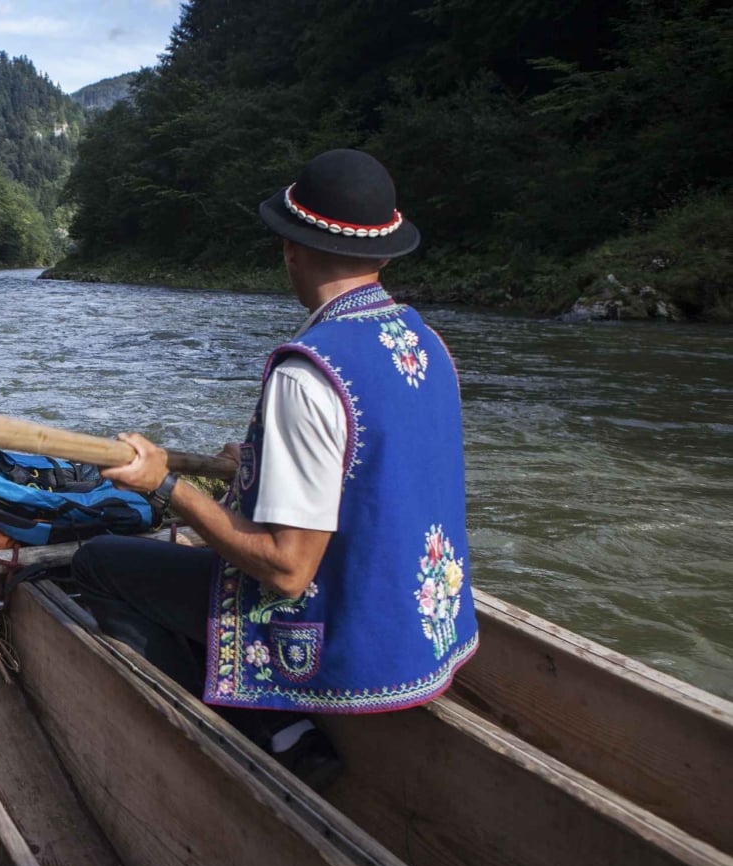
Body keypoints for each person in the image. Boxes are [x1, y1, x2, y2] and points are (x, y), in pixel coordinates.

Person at [73, 149, 480, 787]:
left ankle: (261, 736)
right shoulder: (428, 344)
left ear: (292, 249)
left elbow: (289, 571)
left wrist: (168, 485)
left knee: (100, 562)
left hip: (348, 649)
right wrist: (253, 466)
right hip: (430, 639)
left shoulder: (306, 373)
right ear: (385, 253)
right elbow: (373, 472)